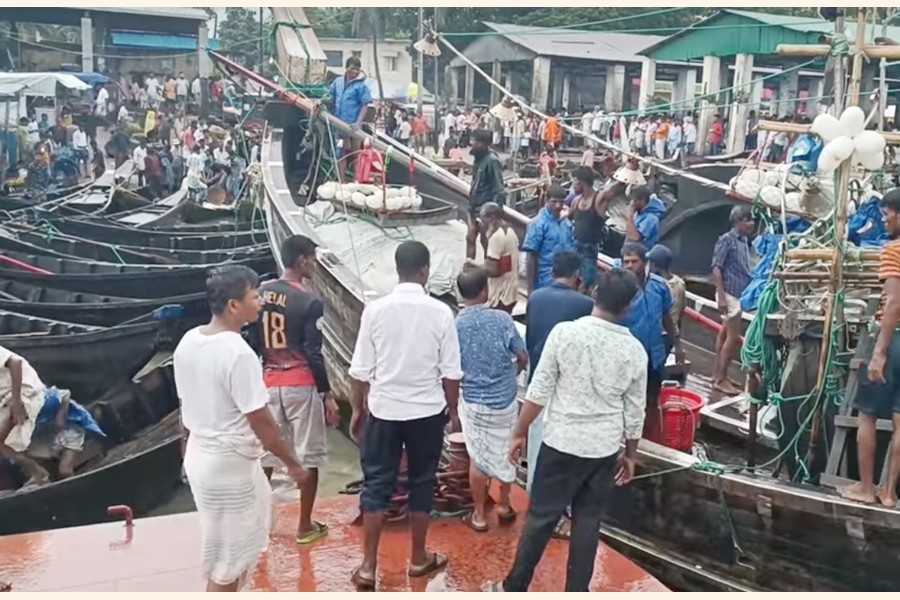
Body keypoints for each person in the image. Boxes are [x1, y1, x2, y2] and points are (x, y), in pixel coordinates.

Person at [488, 270, 647, 592]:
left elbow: (539, 390)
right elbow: (634, 413)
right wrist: (630, 455)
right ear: (628, 307)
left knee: (541, 519)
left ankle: (514, 587)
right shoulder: (635, 352)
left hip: (561, 443)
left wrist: (519, 432)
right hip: (603, 449)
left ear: (595, 292)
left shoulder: (565, 334)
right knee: (588, 523)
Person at [174, 265, 309, 592]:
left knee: (220, 548)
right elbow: (260, 418)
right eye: (254, 296)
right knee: (229, 560)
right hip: (228, 466)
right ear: (234, 306)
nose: (260, 302)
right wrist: (292, 463)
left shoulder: (188, 342)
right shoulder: (238, 353)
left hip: (200, 457)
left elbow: (184, 408)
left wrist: (185, 453)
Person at [348, 241, 463, 590]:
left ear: (397, 269)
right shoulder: (441, 313)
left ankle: (368, 566)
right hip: (427, 412)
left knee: (377, 484)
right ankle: (418, 559)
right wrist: (453, 412)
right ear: (425, 270)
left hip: (383, 410)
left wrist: (356, 409)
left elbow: (360, 372)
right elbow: (451, 374)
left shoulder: (375, 311)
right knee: (422, 482)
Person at [249, 235, 339, 545]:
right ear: (302, 261)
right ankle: (304, 526)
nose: (315, 264)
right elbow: (314, 353)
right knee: (308, 456)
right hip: (301, 385)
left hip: (268, 382)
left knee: (269, 456)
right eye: (313, 259)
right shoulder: (309, 300)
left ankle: (260, 523)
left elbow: (255, 342)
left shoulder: (260, 294)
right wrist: (327, 394)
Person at [840, 188, 900, 507]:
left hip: (893, 341)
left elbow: (892, 302)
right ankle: (889, 493)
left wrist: (879, 351)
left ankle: (865, 488)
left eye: (887, 213)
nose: (884, 219)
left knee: (867, 416)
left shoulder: (893, 250)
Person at [455, 268, 527, 533]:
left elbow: (451, 366)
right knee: (508, 450)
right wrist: (515, 372)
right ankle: (505, 505)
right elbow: (521, 355)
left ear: (460, 294)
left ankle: (479, 514)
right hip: (505, 399)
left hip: (473, 401)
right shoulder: (502, 319)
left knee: (478, 456)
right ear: (485, 291)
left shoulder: (456, 325)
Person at [619, 243, 684, 441]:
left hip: (653, 352)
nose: (630, 266)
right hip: (625, 353)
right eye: (626, 262)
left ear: (645, 262)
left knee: (651, 398)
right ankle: (622, 437)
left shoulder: (659, 286)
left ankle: (647, 438)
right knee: (623, 397)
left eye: (634, 262)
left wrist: (678, 346)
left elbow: (666, 317)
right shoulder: (618, 286)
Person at [711, 205, 755, 396]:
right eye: (747, 220)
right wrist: (721, 296)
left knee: (724, 334)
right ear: (737, 222)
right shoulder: (727, 240)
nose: (751, 223)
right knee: (733, 337)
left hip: (738, 293)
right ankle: (720, 379)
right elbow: (717, 268)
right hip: (729, 294)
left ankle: (718, 375)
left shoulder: (744, 240)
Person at [0, 346, 52, 486]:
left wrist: (17, 402)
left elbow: (15, 362)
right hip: (5, 399)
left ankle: (39, 474)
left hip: (24, 392)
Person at [465, 202, 519, 314]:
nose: (480, 220)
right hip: (511, 292)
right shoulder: (510, 231)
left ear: (492, 218)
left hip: (500, 296)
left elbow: (493, 270)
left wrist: (472, 264)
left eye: (482, 217)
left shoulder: (497, 237)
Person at [523, 184, 576, 294]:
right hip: (544, 282)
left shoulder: (566, 224)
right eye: (554, 202)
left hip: (565, 282)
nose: (558, 205)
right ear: (547, 200)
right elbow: (531, 257)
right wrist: (530, 289)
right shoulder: (538, 224)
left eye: (561, 202)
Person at [467, 129, 507, 260]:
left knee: (487, 243)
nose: (470, 143)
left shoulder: (491, 161)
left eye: (474, 141)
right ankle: (469, 269)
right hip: (474, 208)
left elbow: (499, 189)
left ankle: (487, 273)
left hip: (486, 210)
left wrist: (494, 216)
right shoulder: (478, 159)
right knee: (470, 238)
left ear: (483, 144)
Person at [569, 166, 608, 291]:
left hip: (589, 249)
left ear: (580, 182)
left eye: (574, 182)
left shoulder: (598, 199)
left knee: (587, 282)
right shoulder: (576, 201)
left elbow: (613, 191)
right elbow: (567, 219)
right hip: (575, 247)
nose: (573, 186)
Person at [648, 244, 686, 345]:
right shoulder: (680, 283)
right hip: (672, 335)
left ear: (654, 265)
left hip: (657, 335)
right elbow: (681, 312)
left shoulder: (655, 285)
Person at [624, 185, 667, 252]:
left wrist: (629, 217)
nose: (631, 203)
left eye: (634, 200)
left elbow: (635, 237)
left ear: (642, 200)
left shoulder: (651, 219)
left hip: (640, 257)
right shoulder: (640, 215)